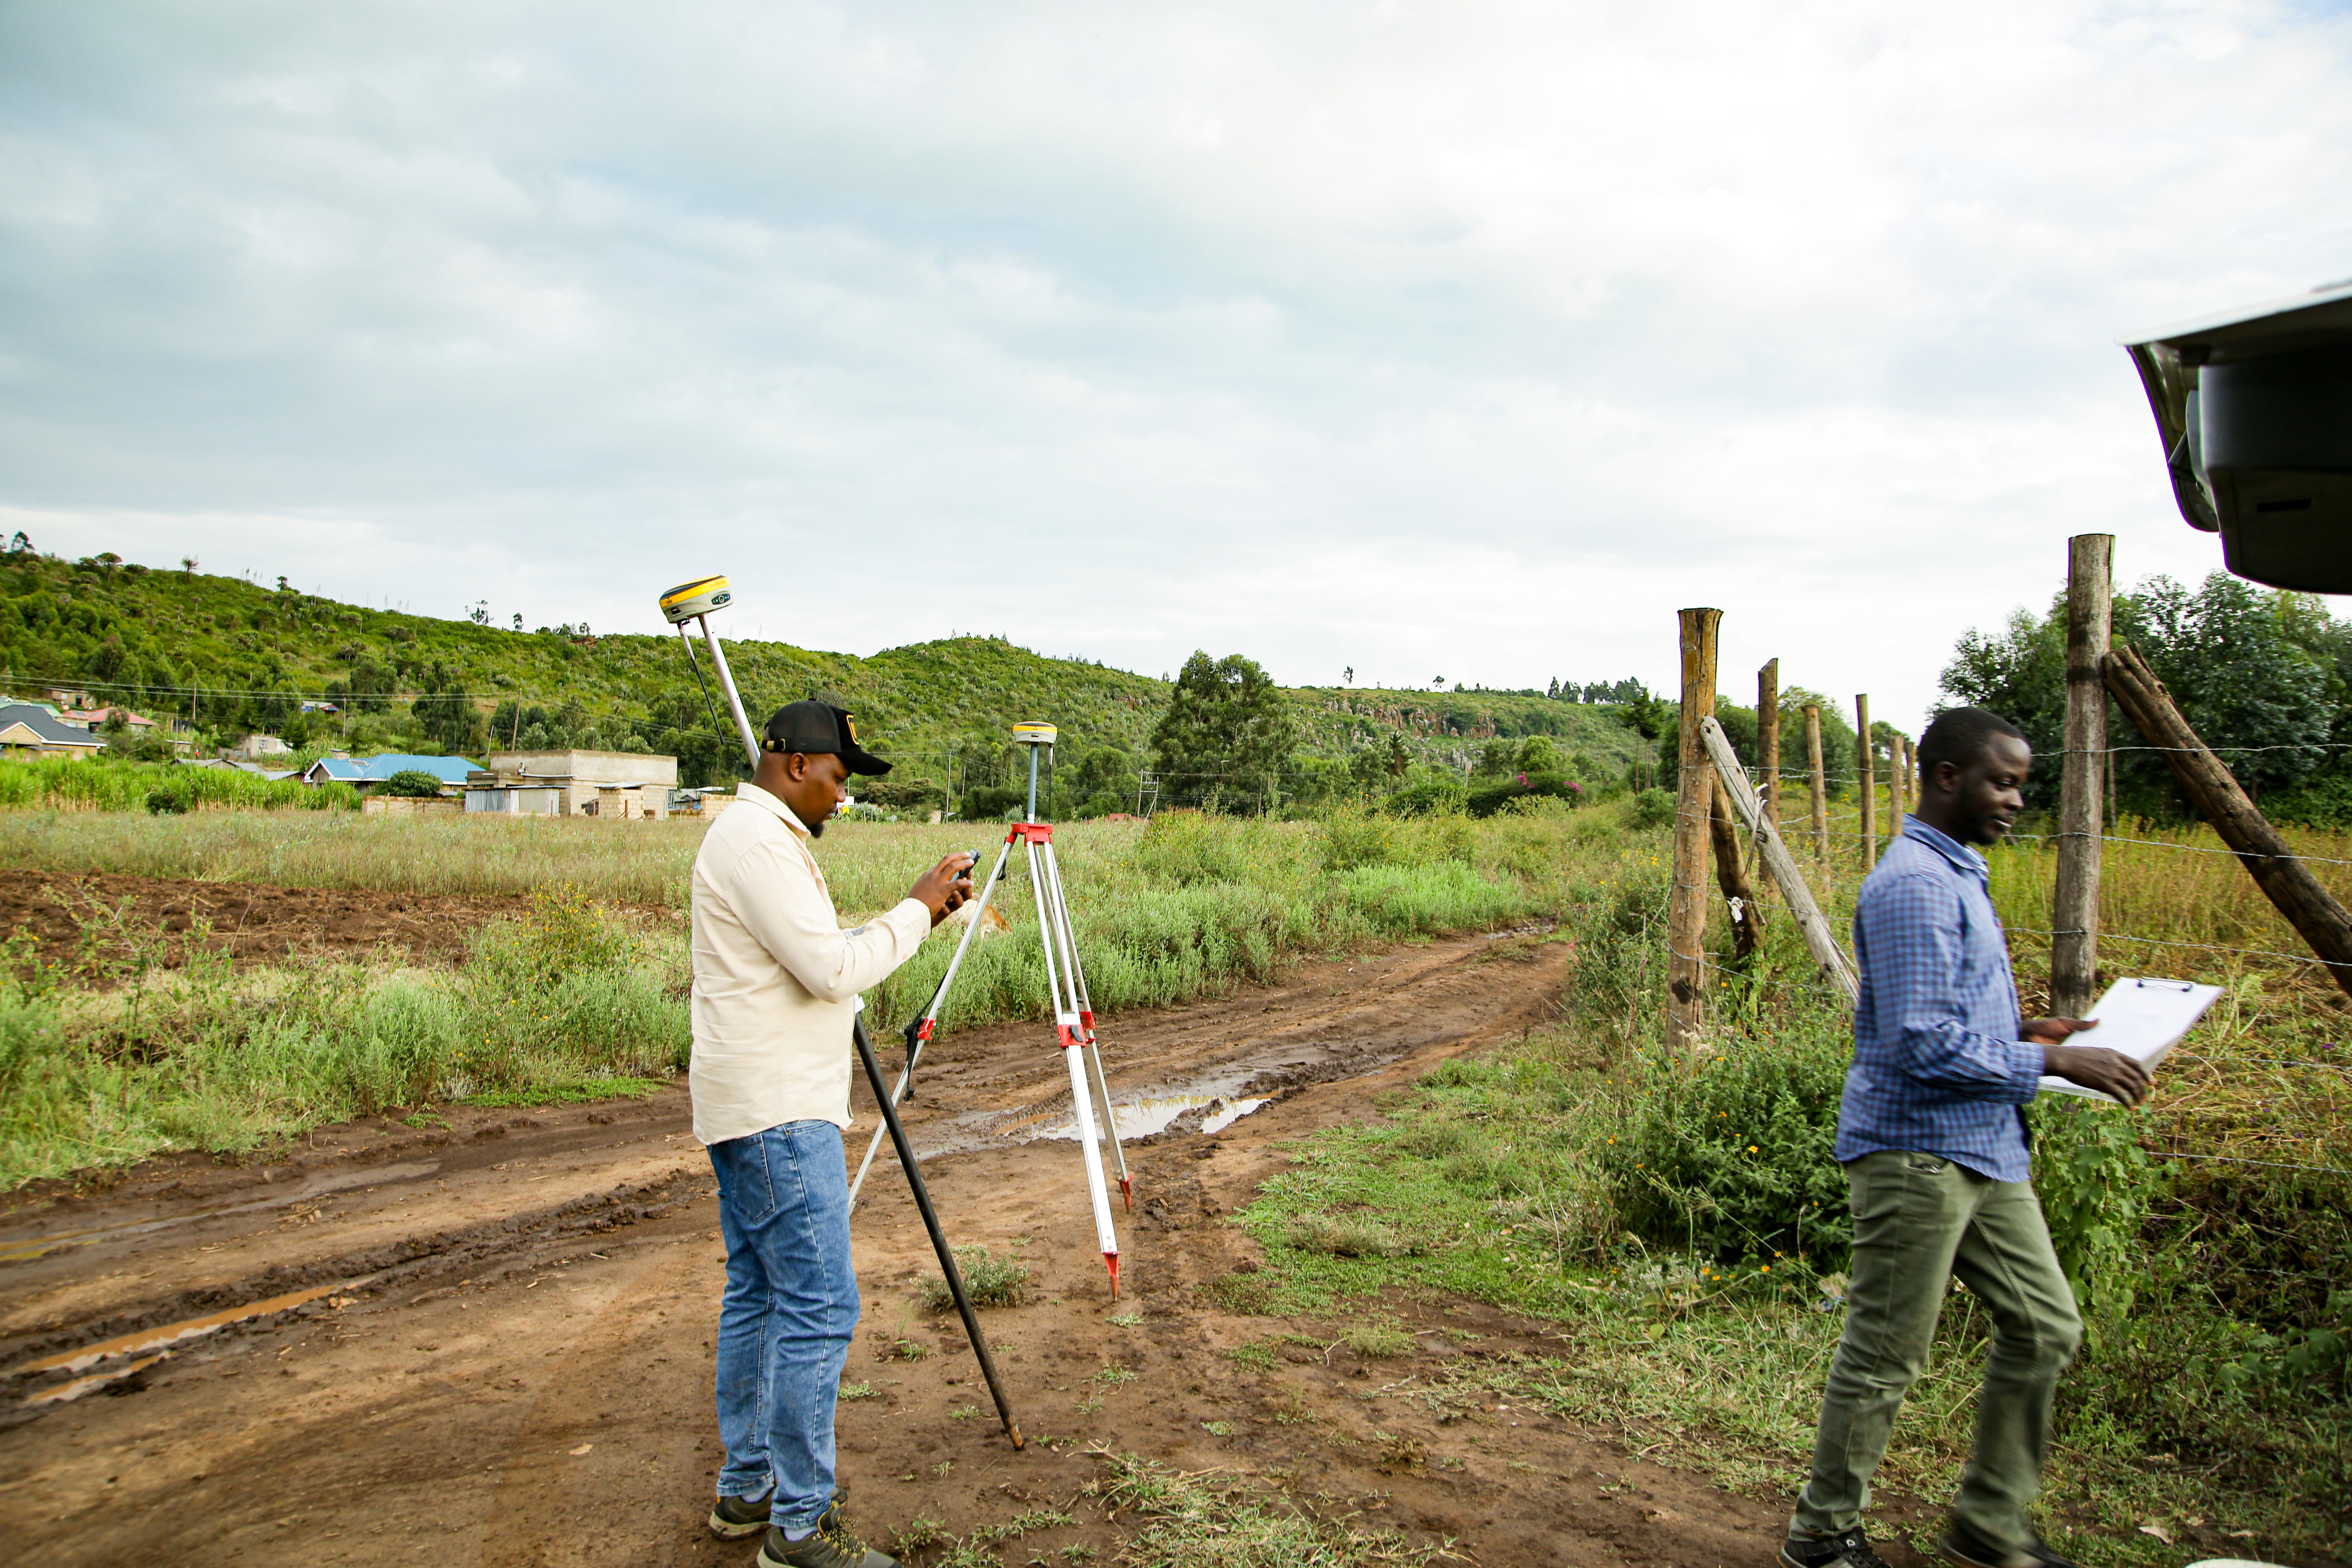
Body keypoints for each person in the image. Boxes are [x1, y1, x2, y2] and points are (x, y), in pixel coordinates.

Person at [1780, 708, 2150, 1568]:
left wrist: (2032, 1032)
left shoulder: (1959, 872)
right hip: (1918, 1154)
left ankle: (1989, 1524)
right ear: (1947, 777)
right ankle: (1822, 1534)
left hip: (1982, 1146)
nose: (2017, 798)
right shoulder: (1915, 883)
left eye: (2021, 782)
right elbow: (1916, 1042)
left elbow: (1950, 1016)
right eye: (2002, 780)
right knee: (1885, 1352)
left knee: (2046, 1324)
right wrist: (2060, 1070)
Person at [690, 700, 975, 1568]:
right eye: (840, 780)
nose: (842, 799)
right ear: (796, 764)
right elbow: (832, 968)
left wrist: (916, 916)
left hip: (752, 1103)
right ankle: (801, 1531)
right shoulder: (760, 843)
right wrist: (921, 910)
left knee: (759, 1294)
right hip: (779, 1114)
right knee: (818, 1307)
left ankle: (748, 1493)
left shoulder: (757, 837)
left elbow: (815, 955)